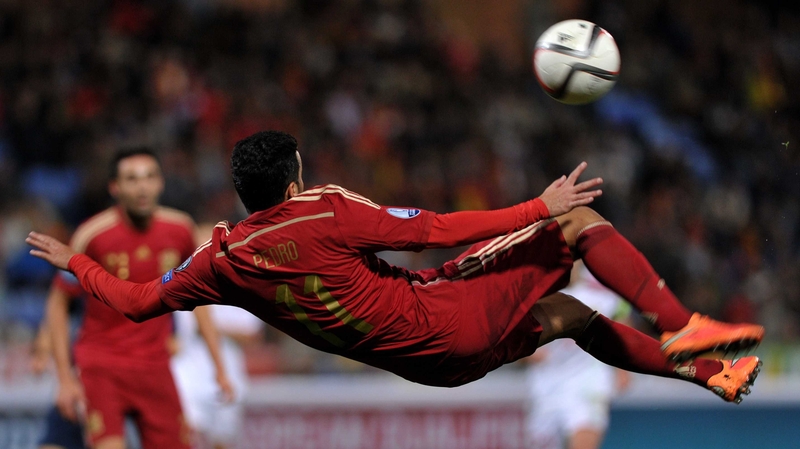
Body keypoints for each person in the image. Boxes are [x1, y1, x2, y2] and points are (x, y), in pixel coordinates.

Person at [29, 131, 764, 408]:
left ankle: (707, 375)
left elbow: (130, 299)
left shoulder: (220, 262)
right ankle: (687, 328)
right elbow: (437, 231)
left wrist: (75, 263)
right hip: (446, 315)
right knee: (571, 224)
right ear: (294, 181)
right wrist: (534, 205)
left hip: (432, 365)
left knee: (569, 318)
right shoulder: (327, 214)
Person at [42, 148, 233, 449]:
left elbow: (201, 303)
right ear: (115, 188)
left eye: (149, 177)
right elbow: (58, 302)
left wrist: (219, 366)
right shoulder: (91, 235)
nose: (142, 186)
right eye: (132, 179)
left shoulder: (180, 230)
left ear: (160, 183)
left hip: (156, 368)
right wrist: (65, 378)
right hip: (102, 366)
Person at [525, 262, 631, 449]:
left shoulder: (601, 291)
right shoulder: (533, 295)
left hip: (588, 384)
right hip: (546, 388)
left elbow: (622, 322)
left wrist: (623, 368)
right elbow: (510, 343)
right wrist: (527, 354)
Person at [171, 303, 263, 449]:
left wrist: (210, 328)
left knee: (222, 438)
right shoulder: (183, 287)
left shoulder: (239, 289)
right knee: (188, 433)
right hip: (187, 373)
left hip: (227, 373)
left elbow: (252, 334)